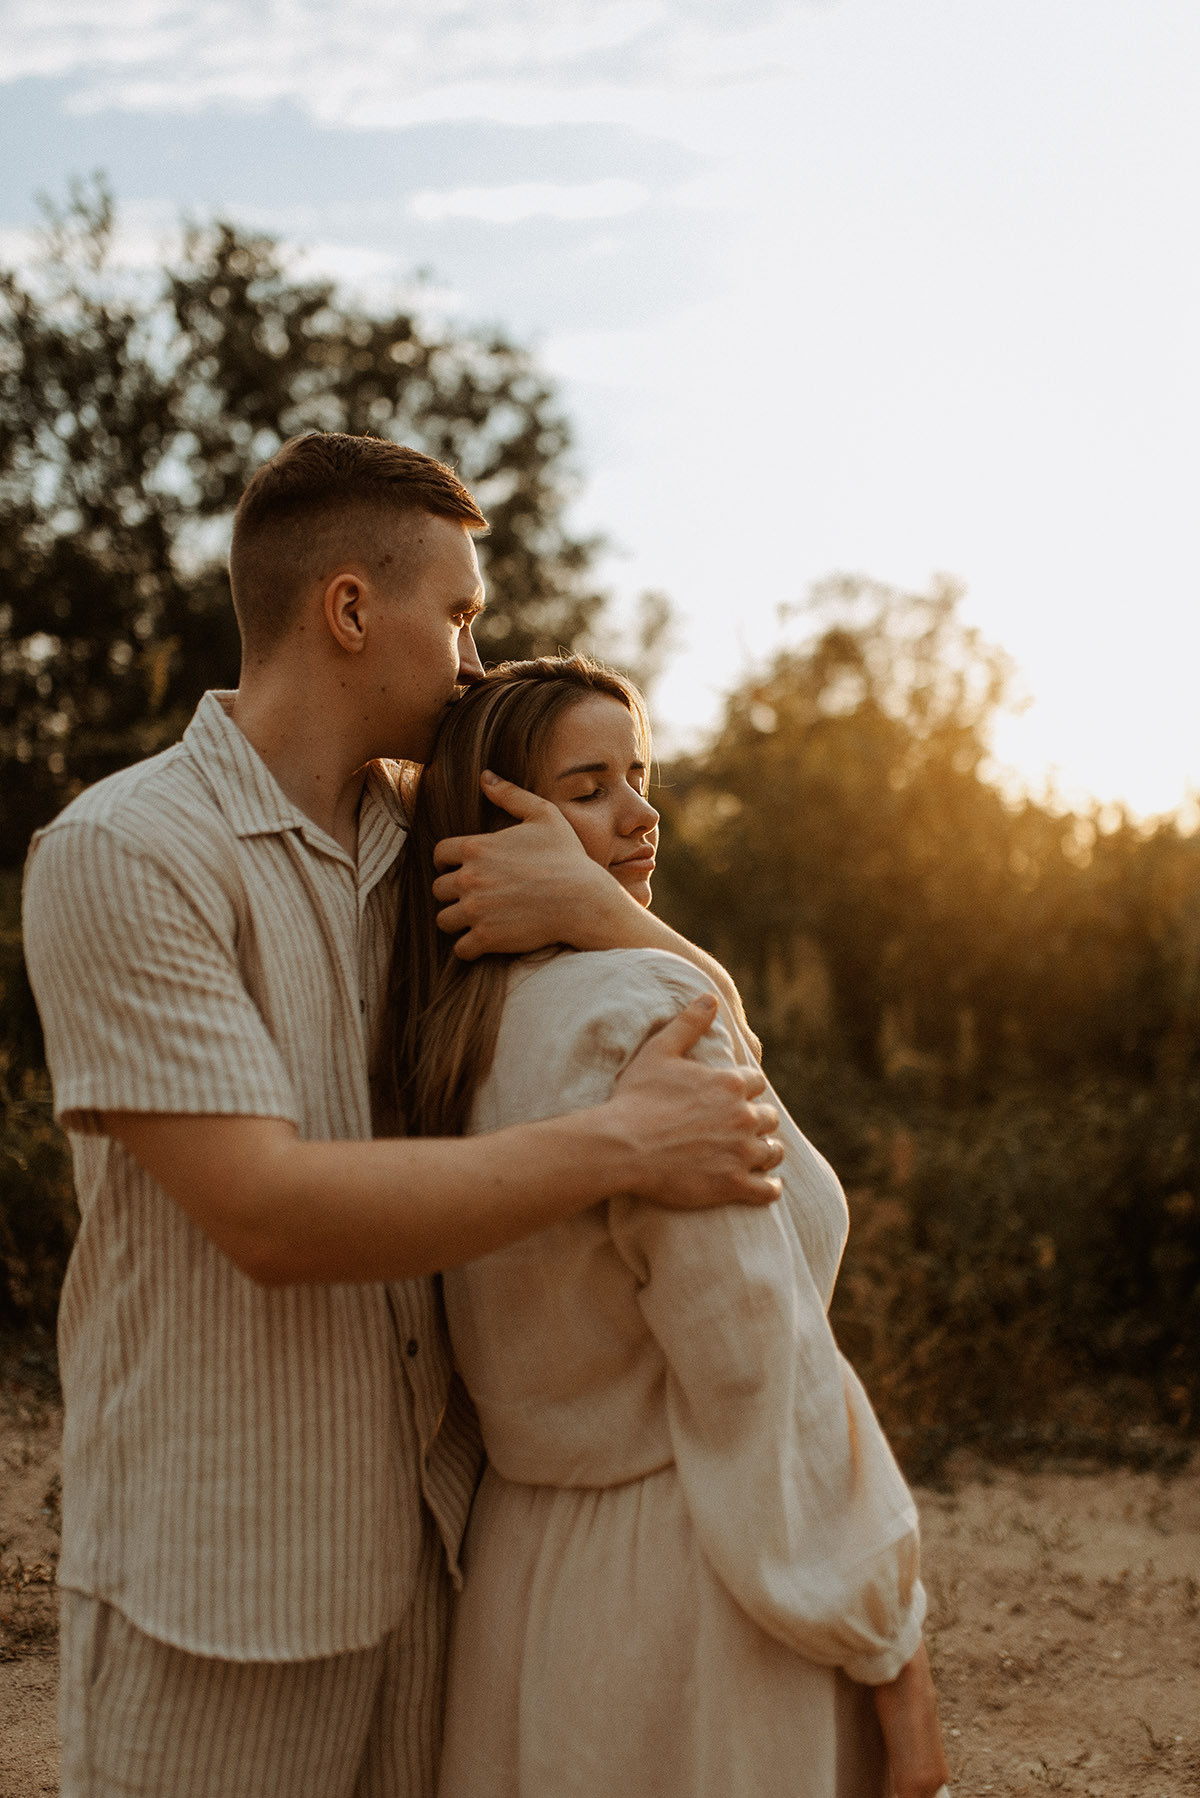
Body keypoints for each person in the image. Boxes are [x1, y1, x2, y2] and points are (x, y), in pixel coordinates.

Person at [20, 433, 783, 1798]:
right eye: (460, 614)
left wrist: (606, 908)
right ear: (353, 609)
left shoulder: (440, 846)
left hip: (442, 1566)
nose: (478, 661)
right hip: (222, 1592)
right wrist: (624, 1144)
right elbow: (266, 1209)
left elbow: (694, 1022)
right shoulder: (125, 854)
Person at [378, 654, 952, 1798]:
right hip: (696, 1590)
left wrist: (606, 913)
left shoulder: (444, 1035)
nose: (643, 813)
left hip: (521, 1585)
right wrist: (897, 1663)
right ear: (497, 820)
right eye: (587, 787)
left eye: (637, 774)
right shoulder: (647, 1016)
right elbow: (760, 1370)